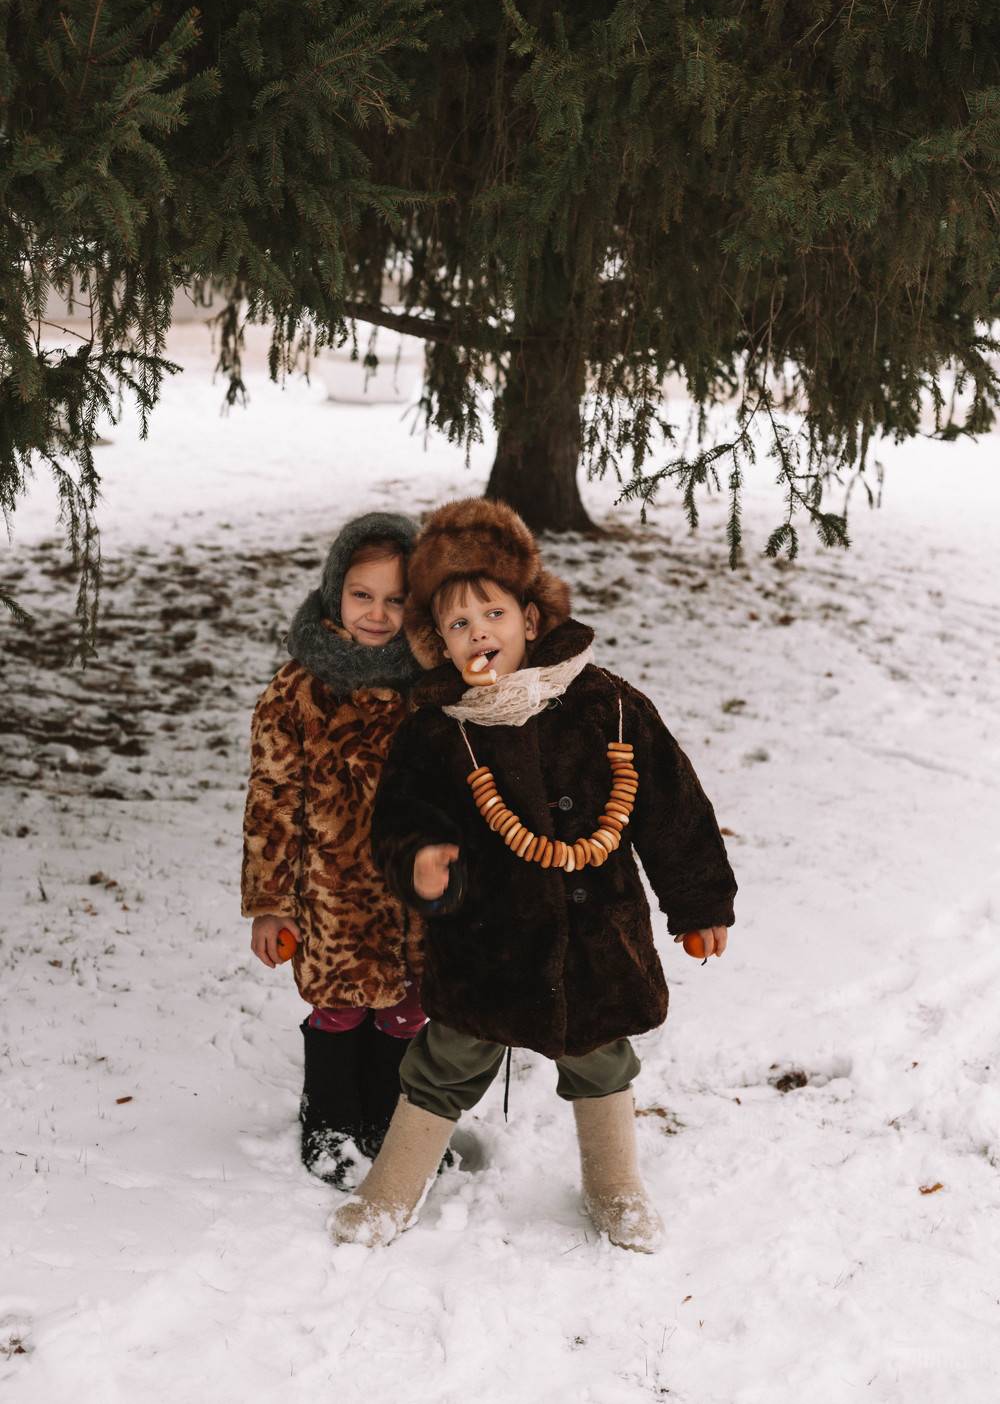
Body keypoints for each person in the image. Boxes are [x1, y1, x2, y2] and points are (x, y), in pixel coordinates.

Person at [329, 497, 736, 1251]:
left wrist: (700, 902)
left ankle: (615, 1186)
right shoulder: (436, 733)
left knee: (601, 1054)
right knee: (446, 1059)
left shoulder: (607, 705)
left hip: (595, 935)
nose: (479, 631)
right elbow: (401, 818)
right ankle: (391, 1191)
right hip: (486, 941)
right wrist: (420, 862)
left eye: (493, 613)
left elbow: (672, 804)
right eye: (458, 623)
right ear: (437, 643)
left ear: (531, 618)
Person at [241, 511, 426, 1187]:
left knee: (409, 1007)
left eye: (396, 599)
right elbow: (271, 803)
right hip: (331, 893)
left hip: (418, 890)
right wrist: (270, 903)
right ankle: (329, 1116)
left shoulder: (431, 686)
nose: (377, 614)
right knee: (342, 1002)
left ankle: (390, 1117)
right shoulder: (297, 691)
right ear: (334, 592)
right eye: (361, 595)